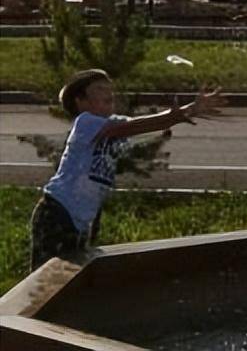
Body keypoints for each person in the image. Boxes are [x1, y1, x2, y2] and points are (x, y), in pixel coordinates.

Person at [30, 68, 225, 270]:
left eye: (109, 89)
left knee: (69, 282)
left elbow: (146, 124)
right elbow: (133, 127)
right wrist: (175, 115)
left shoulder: (113, 123)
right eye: (99, 88)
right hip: (57, 213)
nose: (108, 93)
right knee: (44, 286)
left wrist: (191, 109)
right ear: (81, 101)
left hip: (83, 219)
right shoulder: (85, 122)